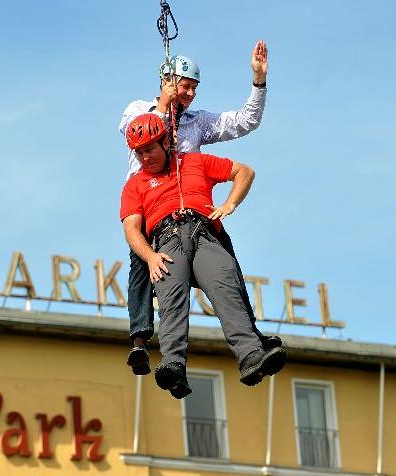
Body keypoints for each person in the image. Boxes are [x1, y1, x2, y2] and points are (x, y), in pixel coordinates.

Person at [119, 41, 281, 376]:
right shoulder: (140, 109)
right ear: (168, 83)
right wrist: (163, 103)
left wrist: (259, 82)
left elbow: (244, 121)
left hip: (193, 207)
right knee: (144, 265)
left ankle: (250, 338)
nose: (191, 93)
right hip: (150, 207)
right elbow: (136, 132)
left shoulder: (196, 123)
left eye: (195, 88)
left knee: (228, 270)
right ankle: (140, 338)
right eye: (186, 86)